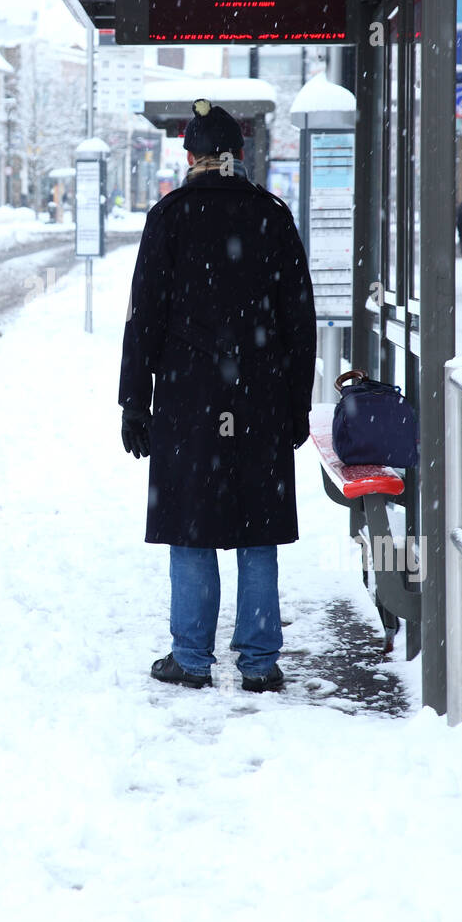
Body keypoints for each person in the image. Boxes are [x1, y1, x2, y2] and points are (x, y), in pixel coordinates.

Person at [119, 98, 317, 694]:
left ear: (190, 155)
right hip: (259, 394)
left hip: (189, 397)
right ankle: (258, 661)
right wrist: (296, 404)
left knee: (192, 521)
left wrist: (135, 400)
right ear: (241, 152)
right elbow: (299, 320)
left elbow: (144, 318)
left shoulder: (170, 216)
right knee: (258, 525)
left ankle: (192, 657)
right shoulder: (271, 215)